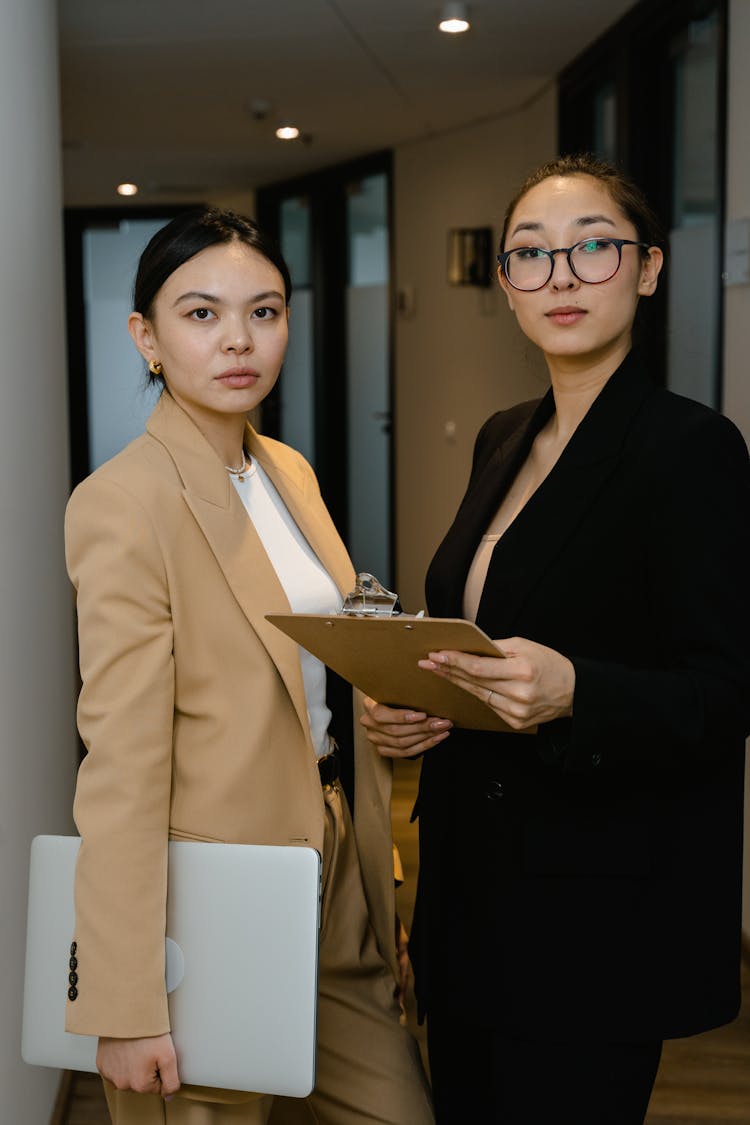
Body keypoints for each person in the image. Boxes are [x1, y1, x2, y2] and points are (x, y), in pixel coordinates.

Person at [361, 154, 750, 1125]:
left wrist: (583, 691)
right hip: (469, 900)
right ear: (506, 284)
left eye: (594, 248)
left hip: (595, 918)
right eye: (530, 255)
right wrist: (409, 704)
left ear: (649, 269)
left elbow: (728, 689)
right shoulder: (503, 436)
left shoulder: (690, 448)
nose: (562, 276)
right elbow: (478, 633)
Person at [64, 207, 434, 1125]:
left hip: (333, 860)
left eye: (264, 311)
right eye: (201, 314)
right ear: (144, 336)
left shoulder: (287, 471)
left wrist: (383, 708)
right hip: (209, 898)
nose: (239, 339)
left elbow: (314, 665)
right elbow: (121, 765)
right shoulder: (121, 504)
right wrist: (124, 999)